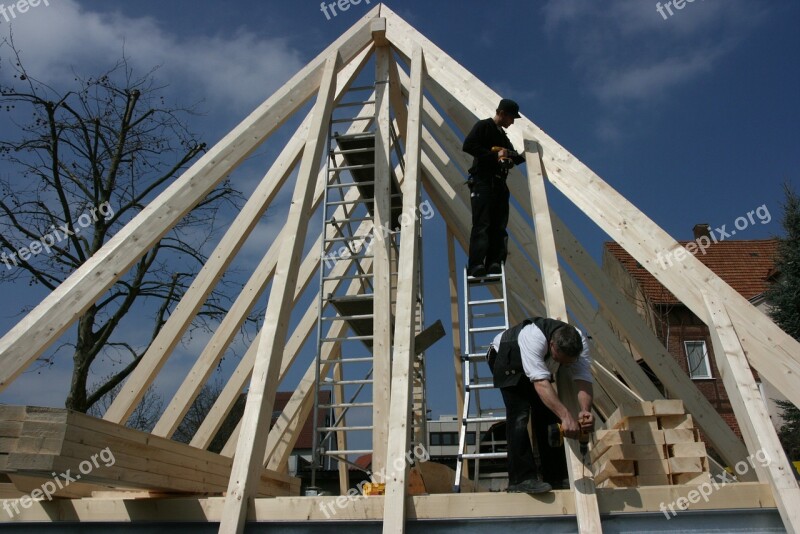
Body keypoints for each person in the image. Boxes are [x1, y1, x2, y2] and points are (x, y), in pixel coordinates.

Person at [488, 317, 594, 493]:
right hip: (506, 357)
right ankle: (521, 479)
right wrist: (567, 417)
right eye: (561, 360)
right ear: (552, 345)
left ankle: (556, 476)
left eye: (570, 362)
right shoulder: (534, 338)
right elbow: (540, 384)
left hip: (535, 366)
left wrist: (585, 411)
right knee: (519, 414)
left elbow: (583, 379)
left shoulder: (579, 341)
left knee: (547, 415)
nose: (566, 365)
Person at [462, 98, 526, 278]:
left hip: (499, 184)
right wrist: (493, 154)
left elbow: (511, 157)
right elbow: (468, 146)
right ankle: (476, 265)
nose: (512, 122)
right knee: (482, 224)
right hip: (482, 181)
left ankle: (494, 263)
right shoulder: (484, 126)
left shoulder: (503, 137)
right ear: (502, 113)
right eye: (512, 118)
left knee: (499, 226)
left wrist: (525, 154)